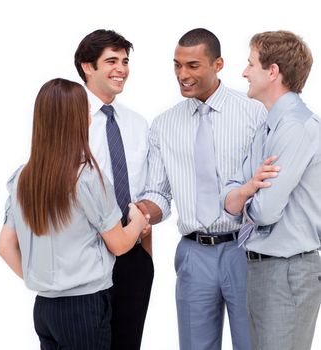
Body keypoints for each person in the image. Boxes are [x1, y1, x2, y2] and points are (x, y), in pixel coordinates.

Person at [138, 28, 266, 350]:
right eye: (177, 65)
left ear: (218, 64)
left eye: (193, 65)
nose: (182, 74)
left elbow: (268, 184)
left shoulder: (253, 113)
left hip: (246, 249)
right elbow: (159, 194)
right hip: (194, 253)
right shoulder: (164, 124)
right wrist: (142, 212)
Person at [0, 78, 149, 350]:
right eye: (85, 110)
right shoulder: (87, 177)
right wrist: (137, 221)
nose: (90, 116)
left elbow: (5, 246)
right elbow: (119, 243)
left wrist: (47, 282)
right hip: (83, 307)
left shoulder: (22, 177)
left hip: (44, 308)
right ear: (77, 119)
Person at [222, 30, 321, 350]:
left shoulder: (295, 127)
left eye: (251, 64)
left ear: (273, 71)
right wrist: (247, 191)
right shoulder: (268, 125)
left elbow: (263, 211)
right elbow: (231, 191)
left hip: (287, 271)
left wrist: (244, 199)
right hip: (263, 269)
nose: (244, 72)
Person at [74, 29, 154, 350]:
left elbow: (144, 192)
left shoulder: (136, 123)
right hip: (87, 255)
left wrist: (145, 257)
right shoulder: (68, 119)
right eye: (111, 61)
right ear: (87, 67)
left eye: (125, 61)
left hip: (132, 256)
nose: (121, 68)